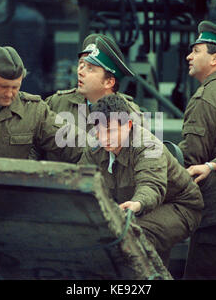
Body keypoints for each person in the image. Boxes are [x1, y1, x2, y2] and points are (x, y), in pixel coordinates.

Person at [78, 97, 203, 265]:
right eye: (99, 131)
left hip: (179, 206)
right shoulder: (94, 147)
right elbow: (82, 180)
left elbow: (151, 184)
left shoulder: (147, 145)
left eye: (110, 130)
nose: (104, 138)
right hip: (130, 209)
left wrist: (137, 203)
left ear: (129, 125)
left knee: (133, 236)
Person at [178, 21, 216, 280]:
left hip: (213, 214)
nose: (189, 55)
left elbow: (190, 158)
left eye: (196, 51)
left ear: (215, 57)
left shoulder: (206, 97)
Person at [0, 46, 82, 162]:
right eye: (3, 86)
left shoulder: (33, 111)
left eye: (15, 87)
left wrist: (102, 149)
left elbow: (72, 141)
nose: (9, 93)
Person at [45, 33, 142, 133]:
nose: (80, 72)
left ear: (109, 82)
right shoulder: (57, 103)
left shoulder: (130, 114)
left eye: (90, 68)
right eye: (81, 64)